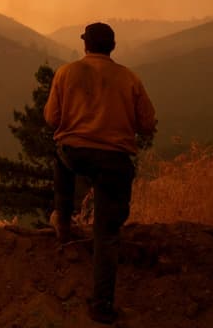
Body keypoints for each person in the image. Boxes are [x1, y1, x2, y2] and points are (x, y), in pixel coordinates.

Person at [44, 22, 157, 325]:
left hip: (75, 154)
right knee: (107, 235)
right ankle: (103, 305)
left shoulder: (66, 73)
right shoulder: (129, 78)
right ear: (113, 47)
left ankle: (63, 224)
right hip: (114, 161)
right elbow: (147, 124)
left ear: (85, 46)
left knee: (61, 159)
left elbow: (51, 118)